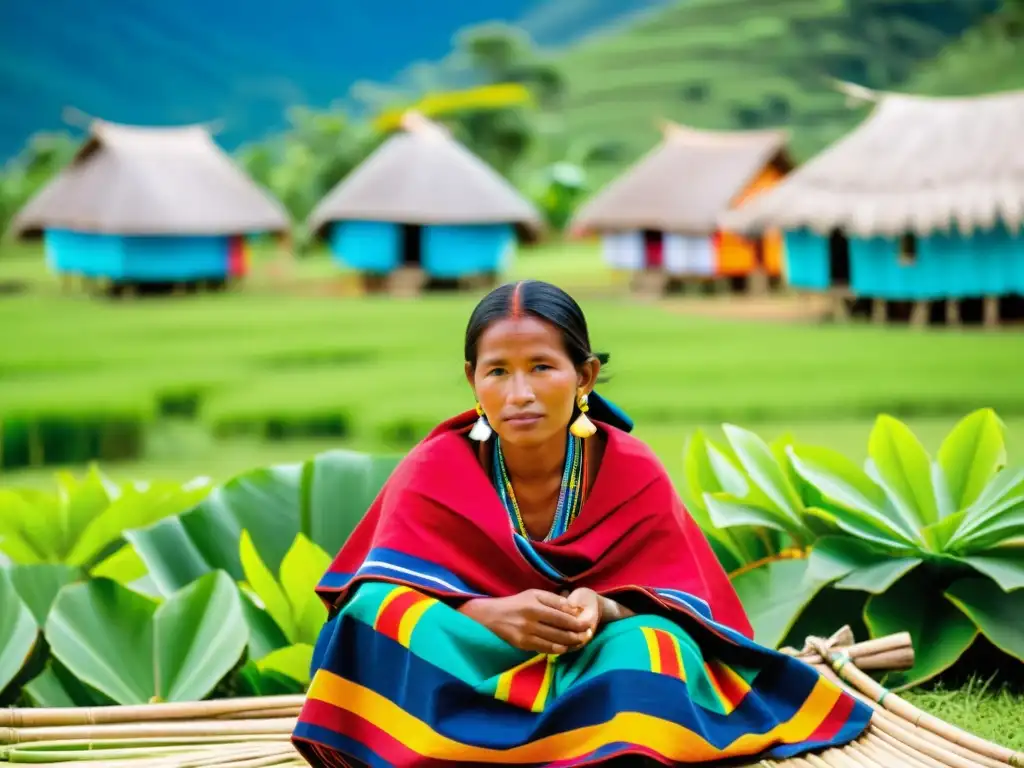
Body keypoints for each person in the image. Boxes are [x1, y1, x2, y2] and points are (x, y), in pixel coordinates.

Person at [292, 280, 871, 767]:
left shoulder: (631, 469)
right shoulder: (434, 467)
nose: (519, 393)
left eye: (542, 367)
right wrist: (485, 613)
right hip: (471, 660)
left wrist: (603, 607)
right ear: (473, 380)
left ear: (585, 376)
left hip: (589, 662)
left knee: (652, 646)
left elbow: (682, 599)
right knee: (373, 617)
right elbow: (378, 584)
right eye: (498, 372)